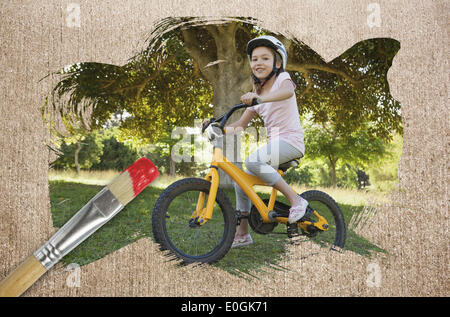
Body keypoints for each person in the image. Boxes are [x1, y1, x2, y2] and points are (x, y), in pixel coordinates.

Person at [204, 35, 308, 248]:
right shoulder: (256, 96)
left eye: (265, 58)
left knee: (253, 161)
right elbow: (240, 126)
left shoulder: (282, 80)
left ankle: (297, 200)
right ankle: (242, 234)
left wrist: (261, 98)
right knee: (240, 179)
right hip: (275, 146)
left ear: (277, 63)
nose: (258, 63)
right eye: (254, 59)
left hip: (291, 142)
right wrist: (216, 127)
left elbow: (288, 92)